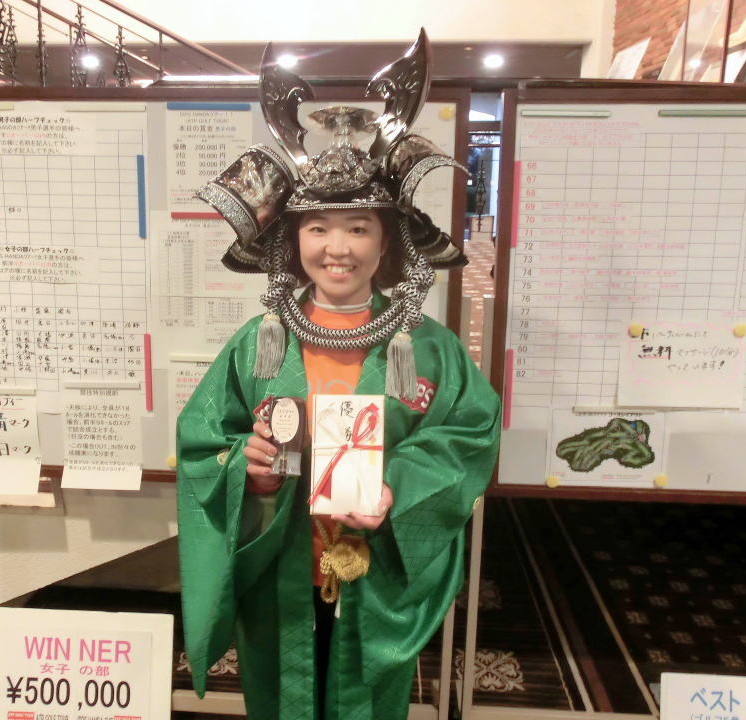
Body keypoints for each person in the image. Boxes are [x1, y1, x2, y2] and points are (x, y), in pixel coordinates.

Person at [176, 31, 501, 720]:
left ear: (387, 241)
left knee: (365, 701)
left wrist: (398, 486)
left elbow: (469, 436)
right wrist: (248, 471)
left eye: (357, 227)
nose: (337, 248)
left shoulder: (429, 348)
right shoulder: (257, 344)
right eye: (318, 227)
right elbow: (204, 441)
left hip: (377, 566)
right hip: (282, 568)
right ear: (293, 240)